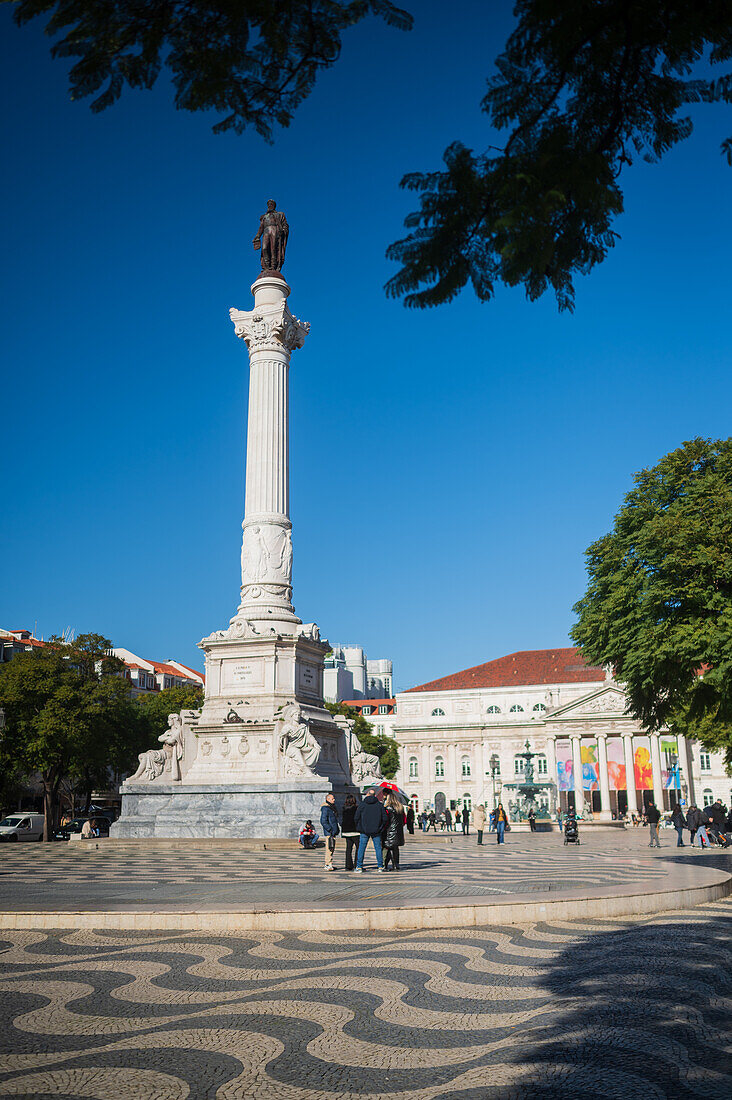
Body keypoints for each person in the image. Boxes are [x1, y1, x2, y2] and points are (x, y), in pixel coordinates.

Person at [354, 788, 388, 872]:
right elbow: (385, 818)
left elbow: (356, 817)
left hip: (364, 830)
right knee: (378, 848)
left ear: (368, 794)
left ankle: (359, 866)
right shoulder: (379, 805)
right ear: (375, 795)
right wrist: (380, 827)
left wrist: (360, 827)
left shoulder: (362, 805)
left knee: (361, 848)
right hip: (376, 830)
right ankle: (380, 866)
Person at [382, 792, 405, 871]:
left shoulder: (388, 808)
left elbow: (386, 820)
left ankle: (384, 864)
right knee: (395, 848)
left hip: (389, 831)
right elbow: (404, 820)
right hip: (398, 831)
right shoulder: (400, 808)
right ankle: (396, 864)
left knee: (387, 847)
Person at [320, 792, 339, 871]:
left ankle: (329, 863)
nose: (334, 800)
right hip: (329, 832)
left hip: (333, 832)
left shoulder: (331, 808)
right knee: (329, 849)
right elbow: (323, 820)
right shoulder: (326, 808)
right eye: (332, 799)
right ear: (328, 799)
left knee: (331, 848)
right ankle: (327, 864)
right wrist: (330, 829)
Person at [341, 794, 360, 871]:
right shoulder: (356, 808)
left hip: (346, 831)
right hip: (355, 830)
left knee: (349, 848)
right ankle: (357, 864)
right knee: (358, 848)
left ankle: (348, 865)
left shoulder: (344, 808)